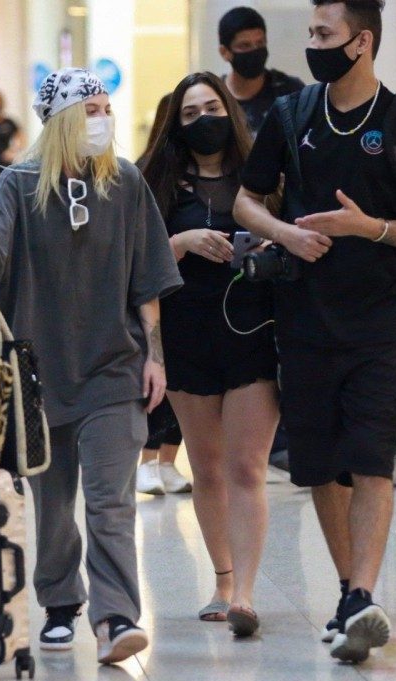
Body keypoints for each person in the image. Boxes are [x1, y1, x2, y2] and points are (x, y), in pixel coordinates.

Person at [233, 0, 396, 662]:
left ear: (361, 42)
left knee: (371, 457)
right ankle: (349, 596)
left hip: (381, 322)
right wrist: (286, 234)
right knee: (321, 464)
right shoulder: (291, 116)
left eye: (323, 34)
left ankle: (362, 592)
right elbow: (245, 199)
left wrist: (370, 228)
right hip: (303, 320)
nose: (312, 45)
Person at [0, 68, 182, 664]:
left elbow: (147, 278)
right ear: (62, 122)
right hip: (36, 373)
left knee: (111, 502)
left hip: (113, 370)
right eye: (92, 109)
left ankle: (115, 618)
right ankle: (59, 602)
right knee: (52, 506)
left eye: (107, 107)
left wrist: (154, 358)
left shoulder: (125, 183)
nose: (103, 120)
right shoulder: (20, 187)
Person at [141, 72, 280, 635]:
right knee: (206, 467)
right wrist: (181, 243)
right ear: (175, 124)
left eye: (212, 108)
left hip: (252, 333)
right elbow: (137, 263)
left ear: (231, 112)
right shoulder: (159, 186)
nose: (205, 121)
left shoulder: (261, 178)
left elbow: (289, 236)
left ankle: (244, 594)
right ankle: (222, 579)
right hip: (186, 336)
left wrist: (269, 245)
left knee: (247, 466)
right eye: (191, 114)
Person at [136, 92, 194, 497]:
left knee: (185, 384)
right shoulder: (144, 175)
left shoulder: (206, 173)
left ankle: (169, 460)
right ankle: (146, 459)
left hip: (196, 291)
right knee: (157, 377)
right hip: (159, 293)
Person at [218, 7, 305, 136]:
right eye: (244, 45)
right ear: (225, 52)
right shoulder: (216, 97)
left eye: (260, 43)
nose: (255, 51)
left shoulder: (290, 92)